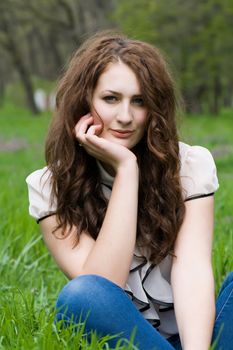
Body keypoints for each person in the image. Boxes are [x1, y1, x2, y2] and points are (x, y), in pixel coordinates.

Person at [26, 31, 233, 350]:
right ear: (85, 102)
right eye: (110, 99)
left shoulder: (190, 166)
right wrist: (126, 170)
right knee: (80, 296)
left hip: (197, 336)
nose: (125, 117)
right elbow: (101, 289)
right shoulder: (48, 187)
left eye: (139, 101)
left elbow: (191, 270)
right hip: (123, 336)